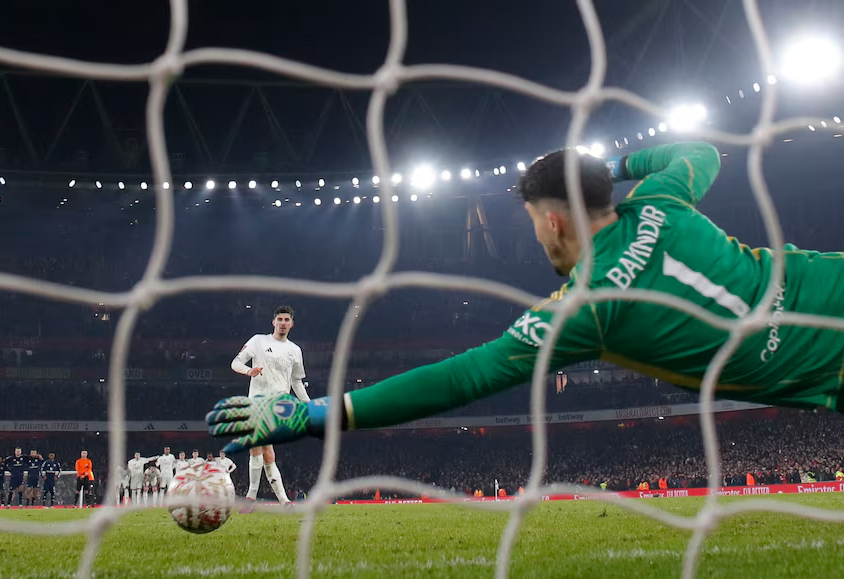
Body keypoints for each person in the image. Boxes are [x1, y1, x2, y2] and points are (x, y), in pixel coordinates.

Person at [206, 142, 844, 452]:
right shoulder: (664, 199)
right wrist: (612, 169)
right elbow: (701, 150)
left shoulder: (585, 308)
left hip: (823, 365)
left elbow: (462, 376)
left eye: (535, 219)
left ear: (553, 222)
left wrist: (317, 416)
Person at [229, 305, 309, 508]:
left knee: (265, 451)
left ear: (292, 324)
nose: (283, 323)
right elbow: (235, 363)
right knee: (262, 448)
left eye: (286, 320)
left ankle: (254, 498)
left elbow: (296, 382)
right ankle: (279, 500)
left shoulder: (295, 350)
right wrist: (249, 371)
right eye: (279, 319)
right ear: (273, 322)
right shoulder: (258, 341)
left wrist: (309, 404)